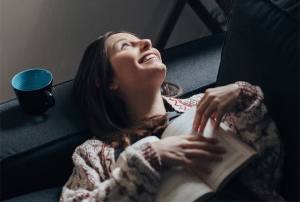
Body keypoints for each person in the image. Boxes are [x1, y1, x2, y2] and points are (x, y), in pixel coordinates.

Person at [60, 31, 284, 202]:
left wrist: (243, 98)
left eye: (142, 40)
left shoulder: (204, 105)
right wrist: (146, 159)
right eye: (126, 46)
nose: (147, 42)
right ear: (108, 81)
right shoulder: (95, 153)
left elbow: (269, 168)